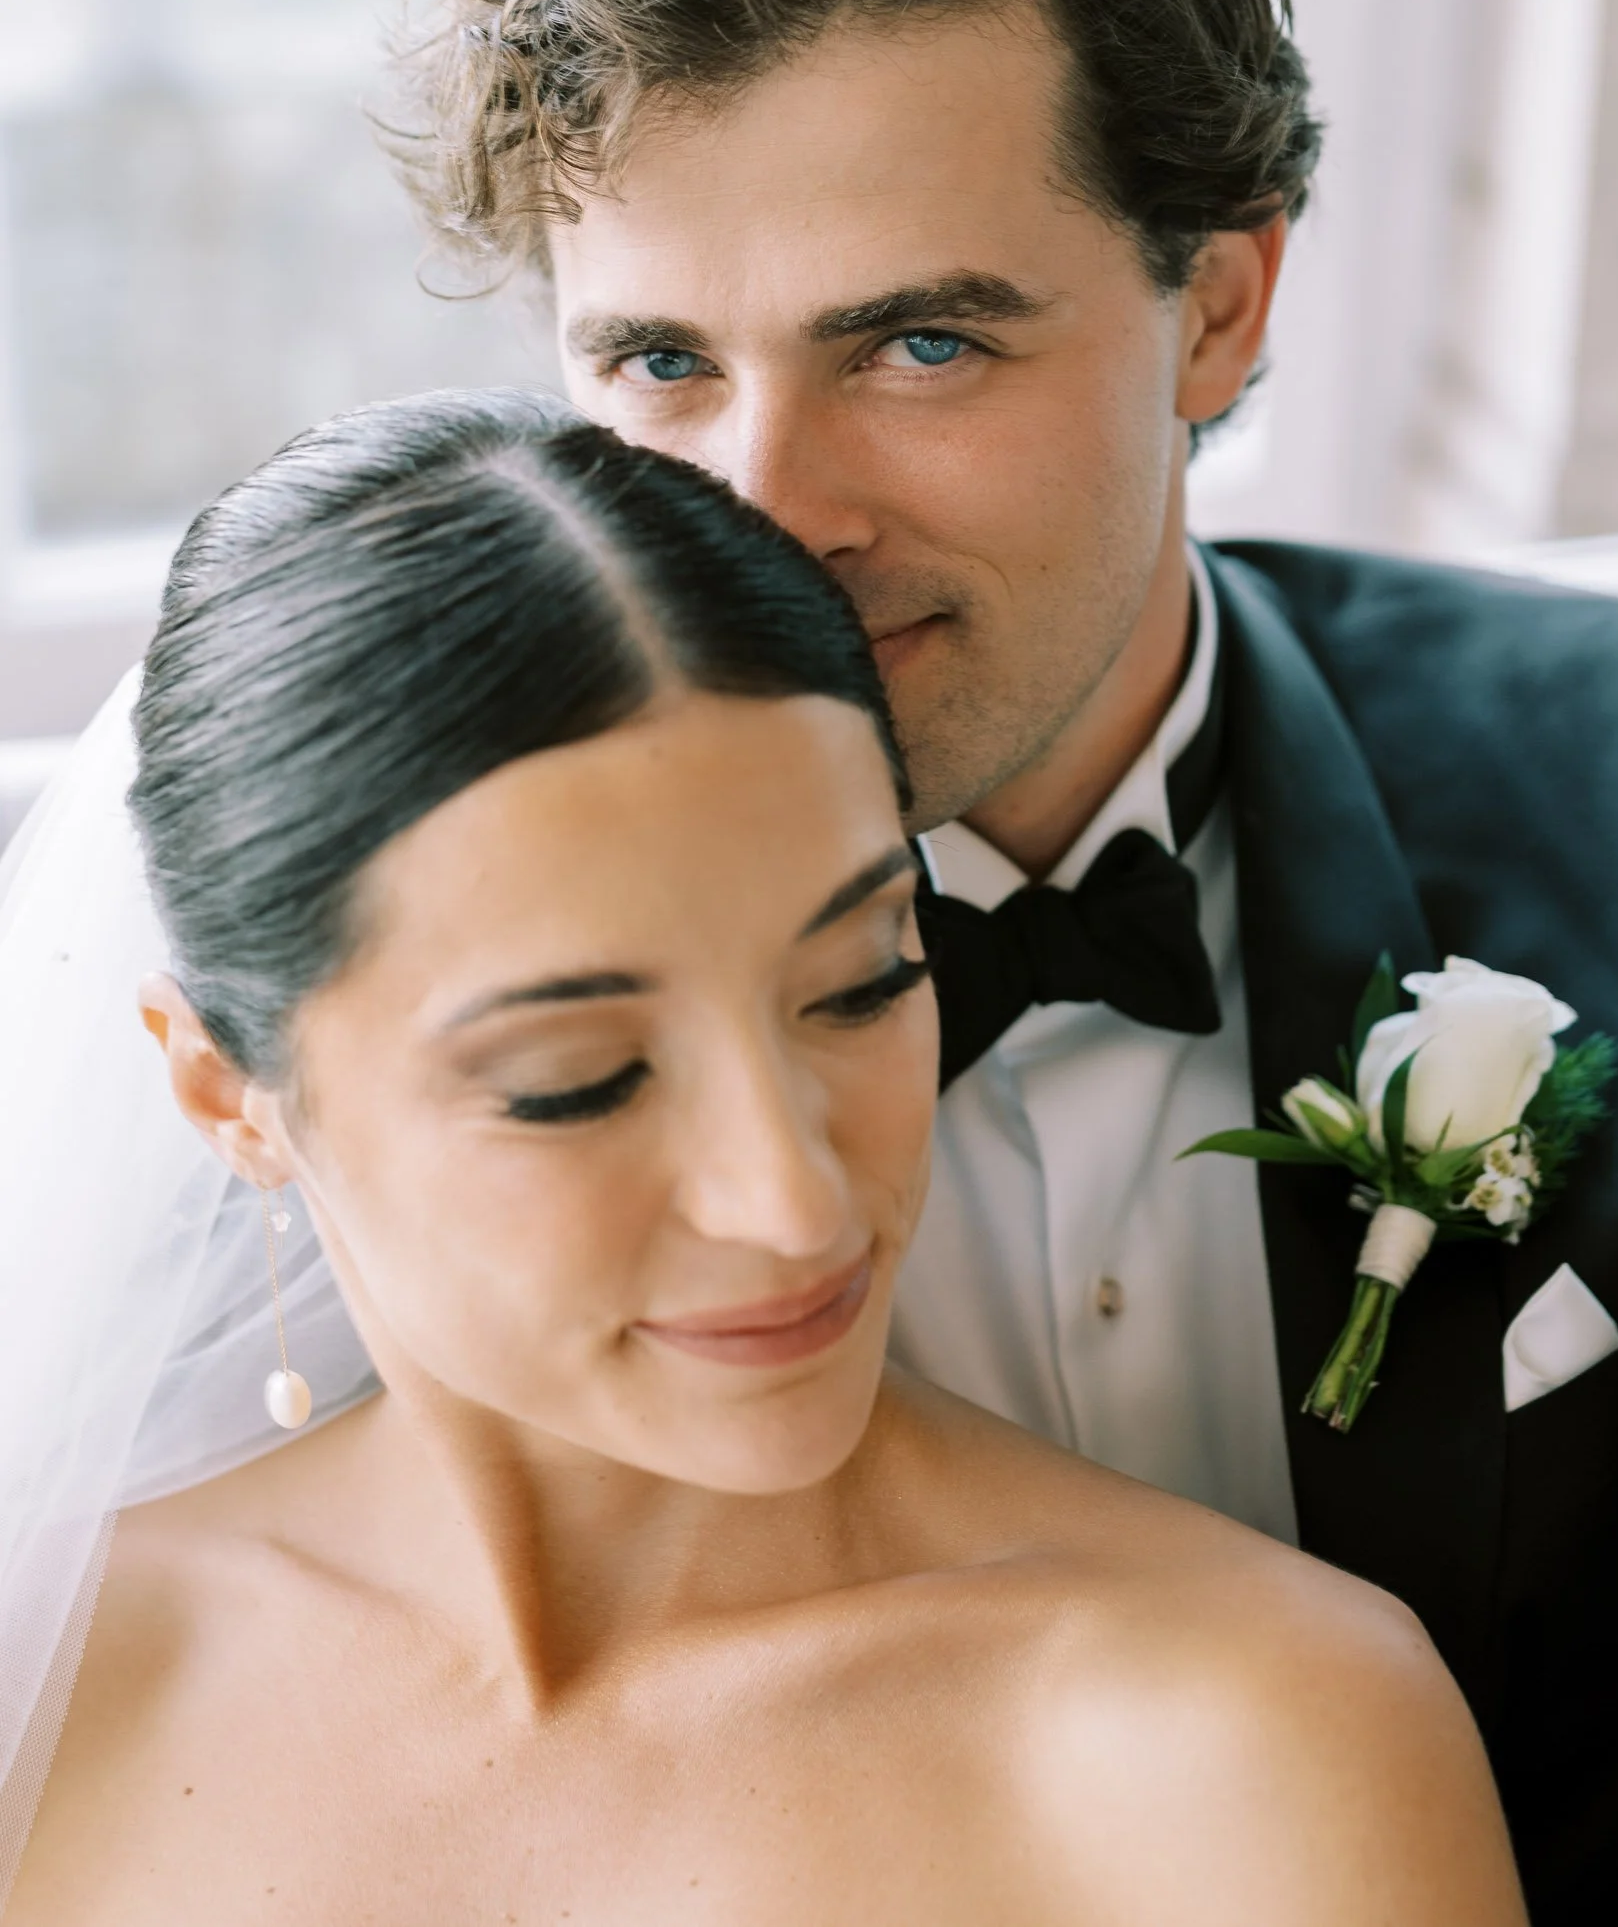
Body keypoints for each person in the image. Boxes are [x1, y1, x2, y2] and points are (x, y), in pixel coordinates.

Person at [391, 0, 1618, 1921]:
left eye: (923, 348)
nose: (766, 517)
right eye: (662, 363)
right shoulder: (394, 983)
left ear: (1222, 304)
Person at [0, 392, 1520, 1923]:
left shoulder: (1252, 1747)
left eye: (862, 984)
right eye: (578, 1081)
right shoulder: (46, 1682)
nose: (796, 1205)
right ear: (222, 1091)